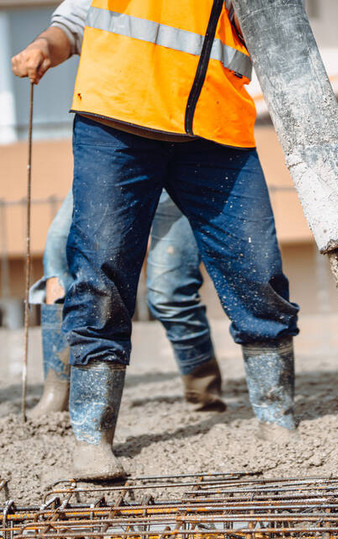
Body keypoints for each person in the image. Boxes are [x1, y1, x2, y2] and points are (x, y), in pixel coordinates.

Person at [11, 0, 300, 481]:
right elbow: (73, 23)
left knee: (257, 271)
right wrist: (44, 45)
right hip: (117, 123)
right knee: (100, 273)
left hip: (216, 130)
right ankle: (91, 436)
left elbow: (274, 31)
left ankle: (277, 416)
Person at [29, 190, 226, 418]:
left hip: (181, 164)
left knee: (168, 292)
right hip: (114, 160)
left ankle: (205, 396)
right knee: (59, 252)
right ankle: (57, 395)